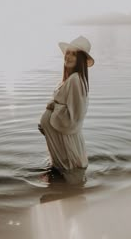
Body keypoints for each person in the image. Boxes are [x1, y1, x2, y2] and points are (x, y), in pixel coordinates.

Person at [38, 35, 94, 171]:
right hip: (62, 144)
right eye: (67, 53)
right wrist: (45, 125)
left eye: (73, 54)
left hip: (67, 147)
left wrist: (53, 108)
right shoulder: (69, 80)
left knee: (72, 180)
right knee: (63, 185)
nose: (68, 57)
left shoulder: (75, 80)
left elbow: (74, 118)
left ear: (80, 59)